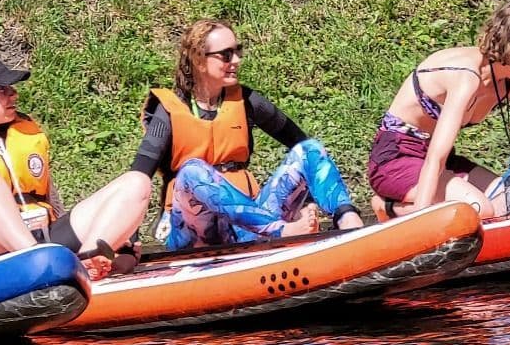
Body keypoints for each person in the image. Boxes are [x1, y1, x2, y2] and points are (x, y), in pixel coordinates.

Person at [132, 19, 364, 250]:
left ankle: (348, 221)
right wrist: (127, 243)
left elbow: (301, 145)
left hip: (248, 228)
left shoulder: (247, 101)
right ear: (199, 60)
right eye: (226, 55)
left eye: (237, 51)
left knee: (309, 149)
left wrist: (308, 202)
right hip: (195, 233)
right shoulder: (168, 110)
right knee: (192, 170)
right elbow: (136, 182)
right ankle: (279, 232)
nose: (236, 60)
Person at [368, 1, 510, 220]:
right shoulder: (466, 76)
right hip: (396, 158)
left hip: (443, 162)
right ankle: (389, 207)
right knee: (479, 209)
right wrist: (422, 218)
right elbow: (435, 157)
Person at [0, 52, 150, 278]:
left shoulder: (22, 132)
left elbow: (52, 202)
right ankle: (42, 264)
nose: (13, 94)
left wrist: (122, 239)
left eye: (11, 88)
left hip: (45, 238)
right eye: (1, 90)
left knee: (137, 183)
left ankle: (86, 264)